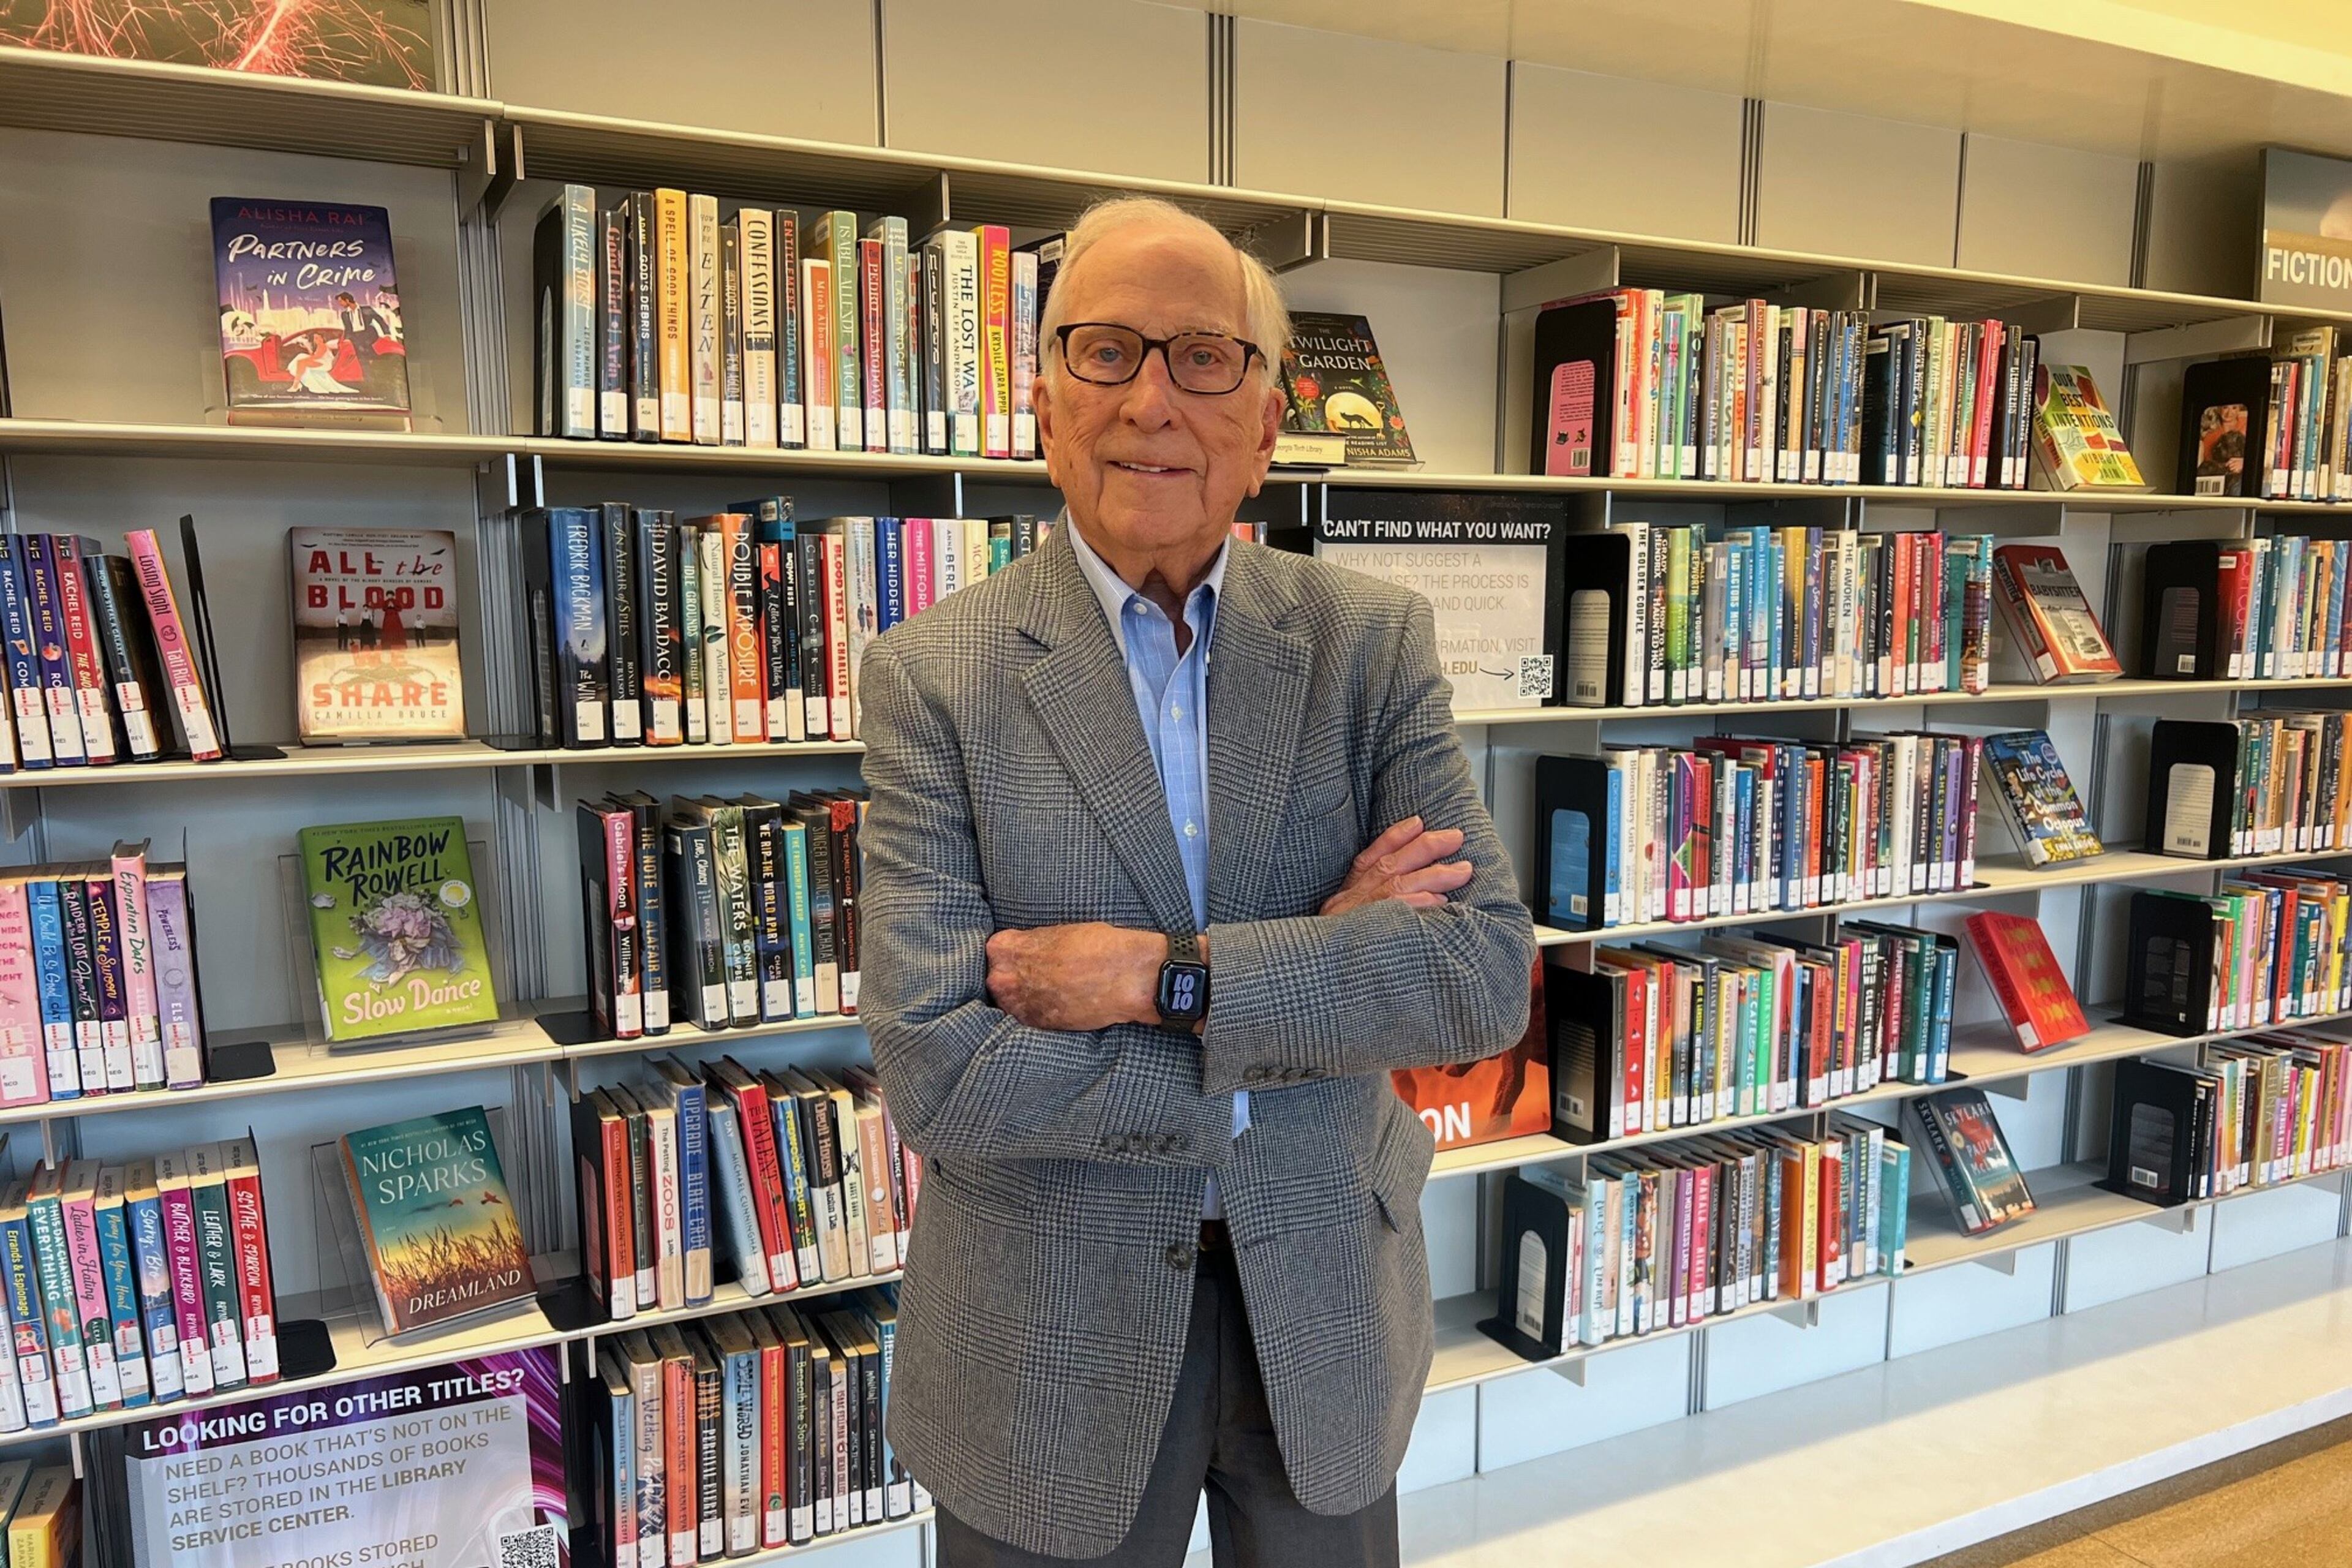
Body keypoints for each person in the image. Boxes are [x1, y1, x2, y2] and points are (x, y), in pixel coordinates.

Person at [858, 195, 1534, 1568]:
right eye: (1103, 350)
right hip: (1045, 1331)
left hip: (1328, 1296)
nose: (1151, 399)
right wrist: (1318, 976)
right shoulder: (932, 675)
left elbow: (1478, 975)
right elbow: (939, 1067)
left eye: (1203, 356)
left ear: (1268, 423)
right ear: (1044, 404)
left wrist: (1159, 980)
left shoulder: (1370, 645)